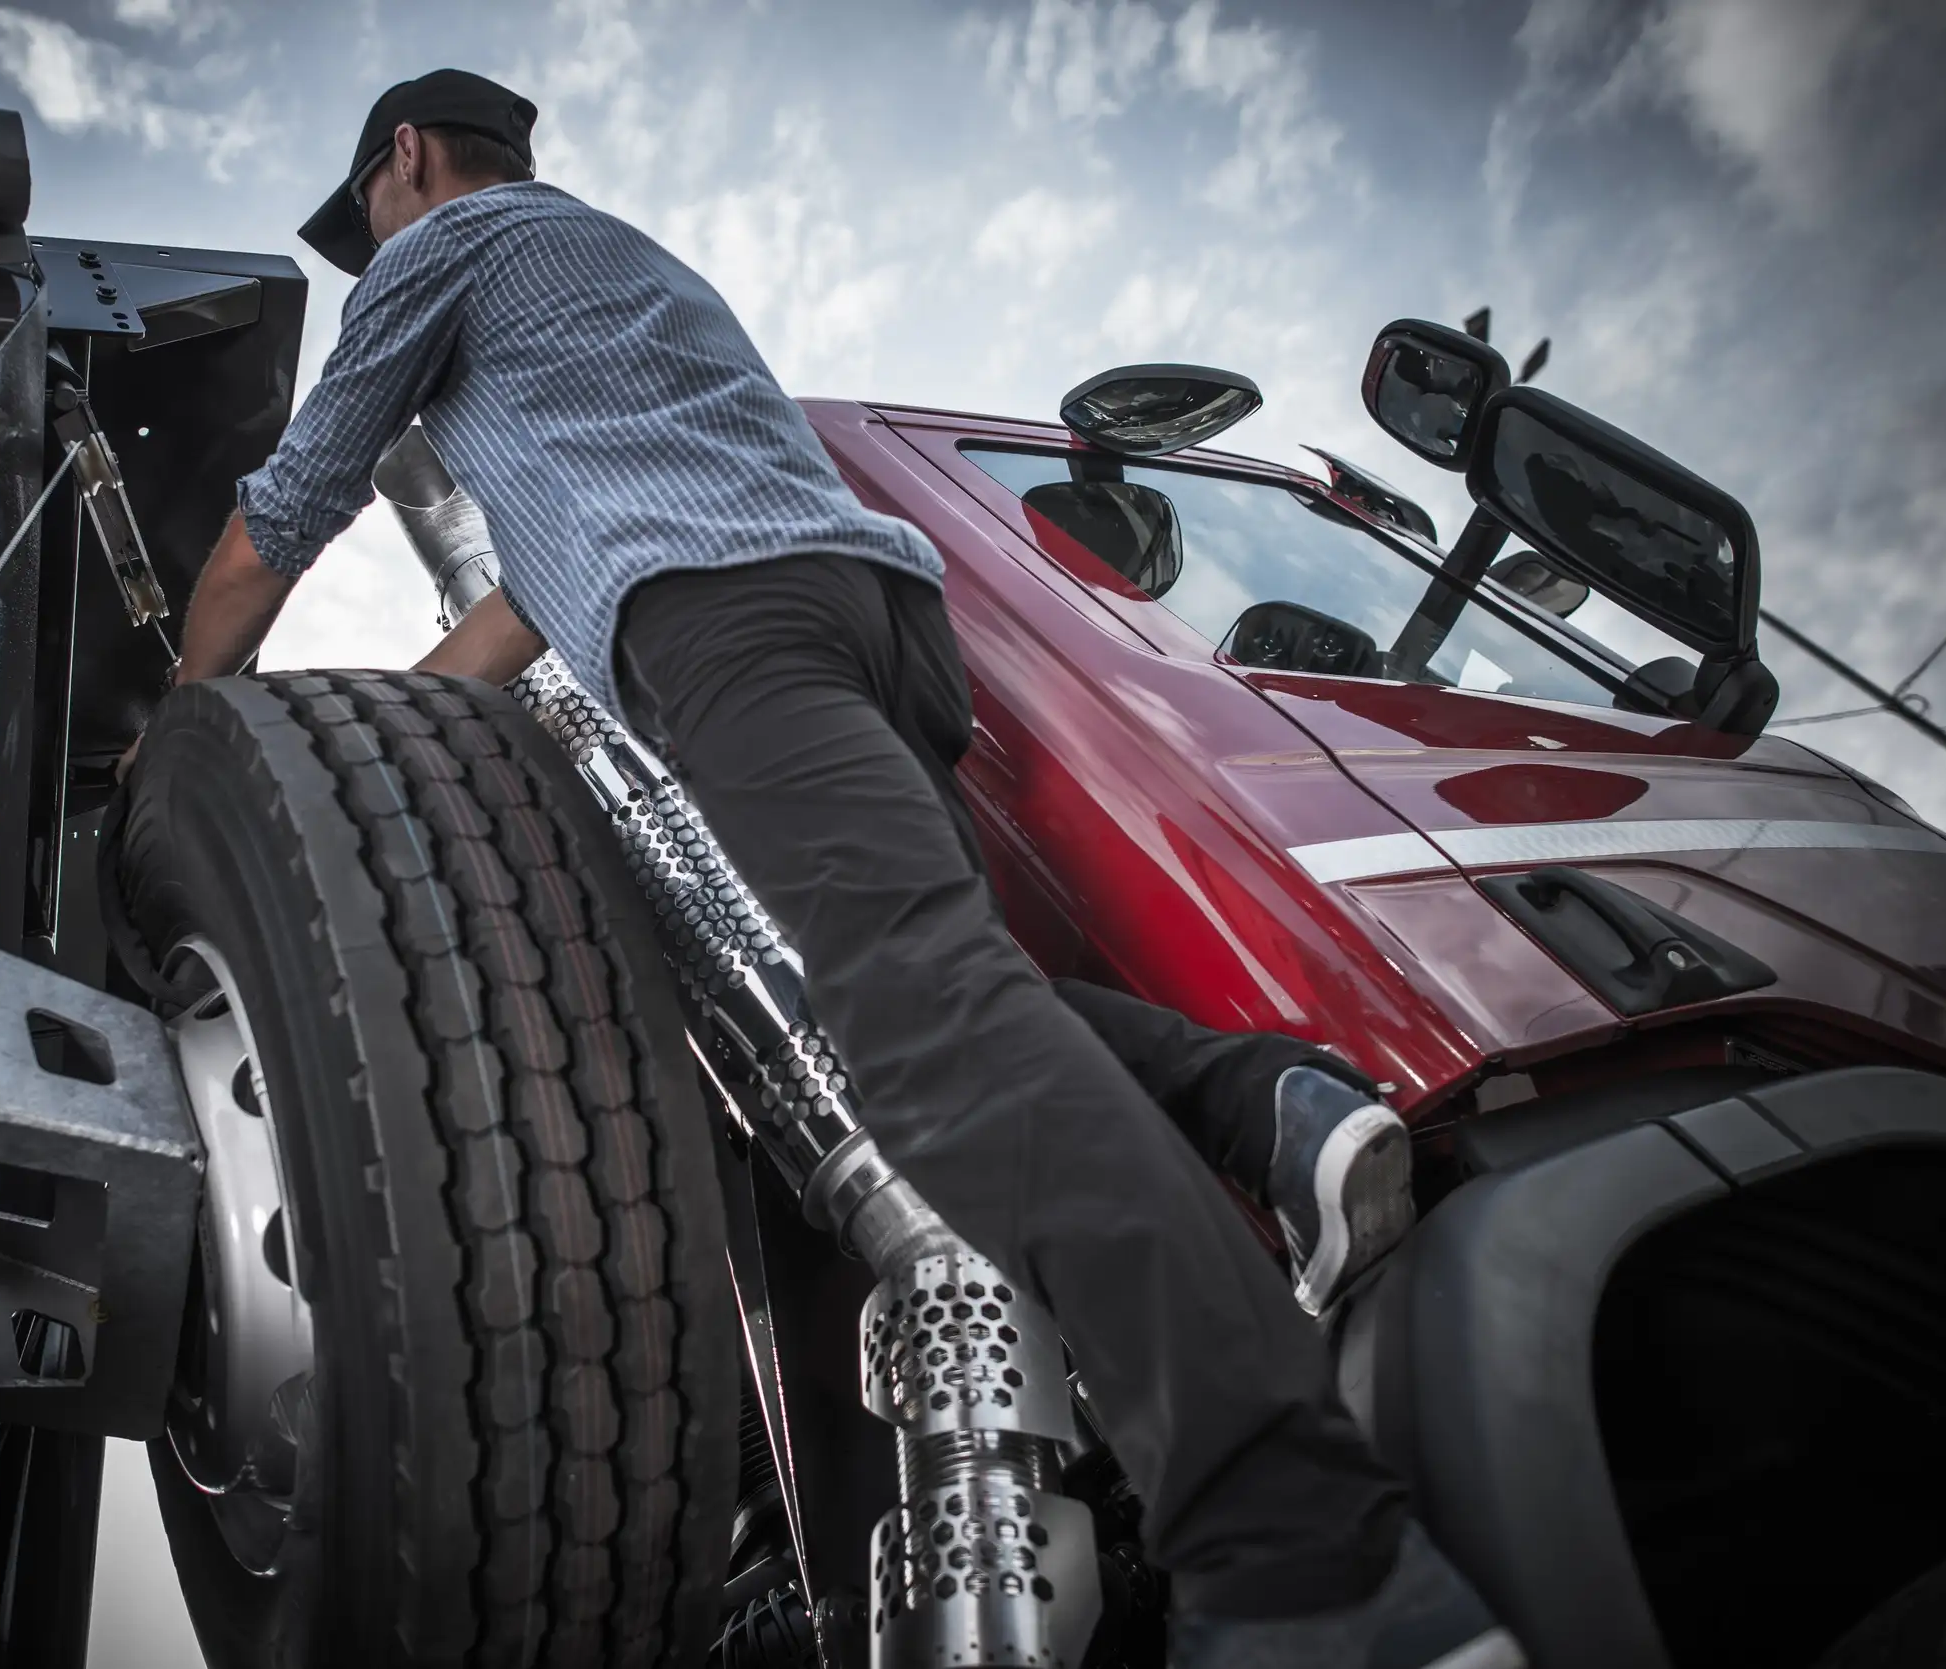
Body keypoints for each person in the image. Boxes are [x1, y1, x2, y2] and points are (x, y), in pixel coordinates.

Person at [130, 66, 1522, 1669]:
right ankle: (1262, 1104)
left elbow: (277, 520)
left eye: (365, 215)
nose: (367, 249)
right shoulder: (617, 277)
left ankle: (1314, 1568)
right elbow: (506, 631)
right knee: (942, 1002)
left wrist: (184, 754)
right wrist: (350, 764)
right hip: (875, 623)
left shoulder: (445, 253)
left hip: (731, 629)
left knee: (928, 1049)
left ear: (409, 158)